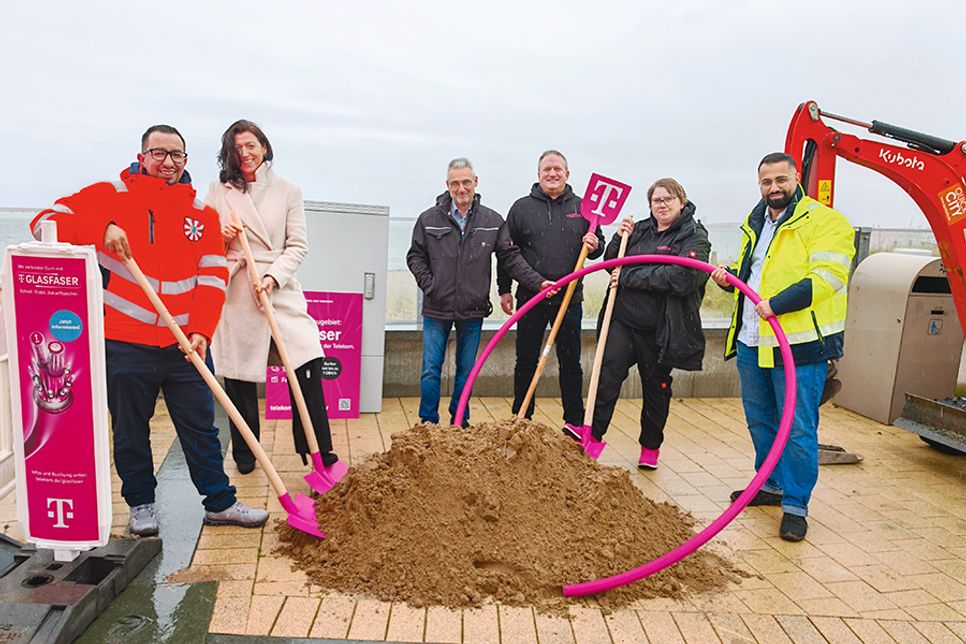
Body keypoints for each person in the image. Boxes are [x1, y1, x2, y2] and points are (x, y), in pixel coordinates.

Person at [30, 124, 268, 536]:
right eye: (159, 153)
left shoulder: (202, 213)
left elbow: (212, 278)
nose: (168, 163)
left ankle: (220, 503)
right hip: (124, 342)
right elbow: (43, 223)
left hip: (185, 344)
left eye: (177, 155)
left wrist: (202, 331)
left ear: (185, 161)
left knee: (202, 427)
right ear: (142, 157)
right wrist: (100, 228)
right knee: (129, 430)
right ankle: (141, 504)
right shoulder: (109, 196)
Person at [711, 152, 854, 542]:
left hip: (799, 345)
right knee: (761, 421)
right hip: (753, 340)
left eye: (780, 180)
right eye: (766, 182)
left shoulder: (826, 222)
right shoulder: (754, 221)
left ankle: (796, 505)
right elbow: (756, 274)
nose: (773, 188)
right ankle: (771, 485)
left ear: (796, 178)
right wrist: (731, 280)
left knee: (796, 428)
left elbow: (830, 277)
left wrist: (777, 304)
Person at [205, 119, 340, 474]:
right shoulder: (218, 190)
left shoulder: (288, 190)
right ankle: (246, 455)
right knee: (239, 376)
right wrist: (221, 235)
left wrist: (272, 276)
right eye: (237, 149)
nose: (245, 154)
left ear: (264, 147)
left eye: (251, 145)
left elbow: (298, 246)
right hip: (237, 290)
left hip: (277, 287)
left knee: (308, 362)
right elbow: (203, 246)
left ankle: (318, 449)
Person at [407, 157, 553, 426]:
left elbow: (510, 258)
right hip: (436, 309)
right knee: (430, 371)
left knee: (467, 371)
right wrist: (430, 285)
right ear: (447, 186)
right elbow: (416, 257)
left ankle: (459, 421)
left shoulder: (492, 220)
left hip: (472, 310)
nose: (461, 189)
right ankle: (427, 424)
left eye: (465, 182)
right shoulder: (428, 219)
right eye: (455, 184)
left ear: (475, 182)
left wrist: (537, 282)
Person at [587, 178, 710, 468]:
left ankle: (650, 447)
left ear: (681, 201)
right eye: (657, 200)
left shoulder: (694, 235)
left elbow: (683, 278)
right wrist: (619, 237)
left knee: (656, 388)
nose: (662, 205)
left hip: (661, 329)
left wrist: (632, 277)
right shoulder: (640, 229)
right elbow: (612, 262)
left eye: (668, 199)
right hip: (622, 321)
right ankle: (592, 440)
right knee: (606, 379)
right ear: (650, 205)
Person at [497, 150, 604, 425]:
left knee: (571, 363)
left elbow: (597, 247)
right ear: (538, 174)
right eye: (547, 169)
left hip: (570, 299)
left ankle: (574, 421)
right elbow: (507, 253)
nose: (552, 174)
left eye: (558, 169)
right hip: (531, 297)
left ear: (567, 174)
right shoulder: (521, 208)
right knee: (526, 361)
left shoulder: (585, 208)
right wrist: (504, 289)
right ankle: (522, 417)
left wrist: (595, 245)